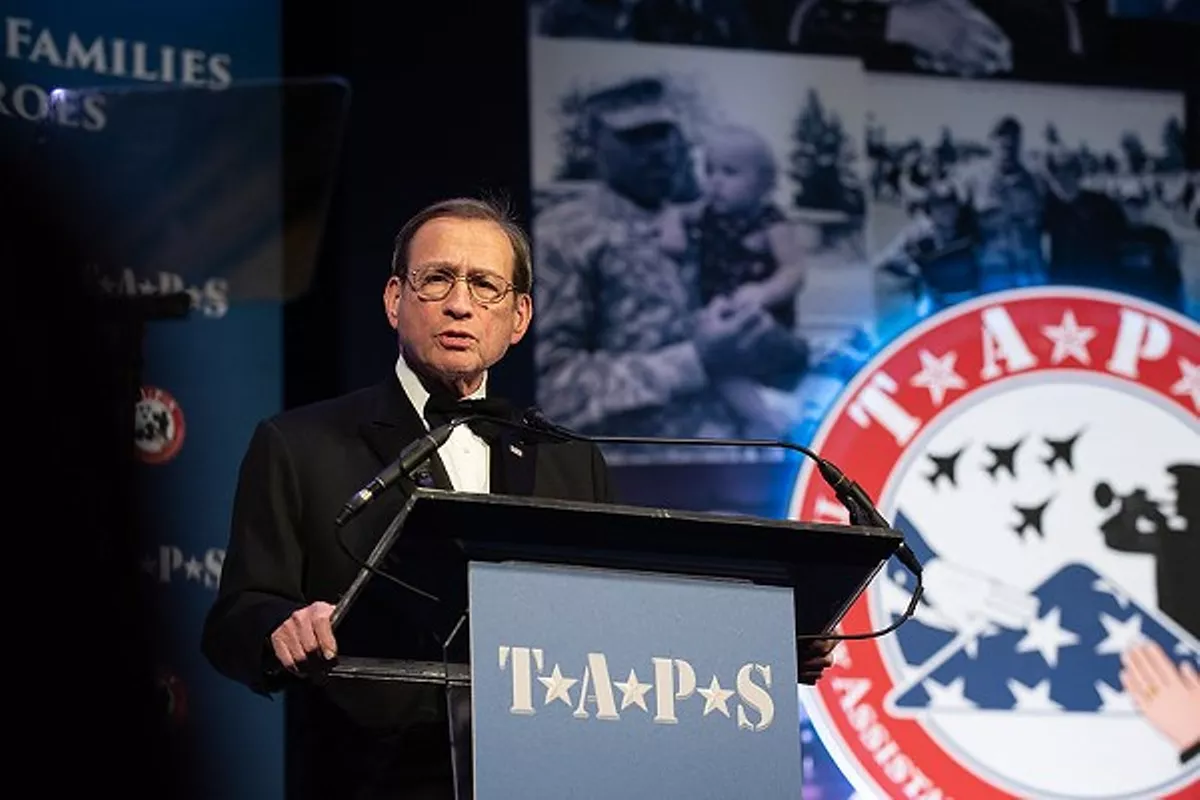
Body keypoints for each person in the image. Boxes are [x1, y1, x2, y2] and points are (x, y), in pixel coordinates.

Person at [202, 196, 837, 799]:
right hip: (375, 779)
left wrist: (759, 645)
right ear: (396, 300)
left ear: (518, 318)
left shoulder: (569, 460)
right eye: (437, 280)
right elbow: (238, 613)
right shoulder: (300, 443)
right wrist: (280, 631)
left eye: (485, 286)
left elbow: (626, 627)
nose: (460, 304)